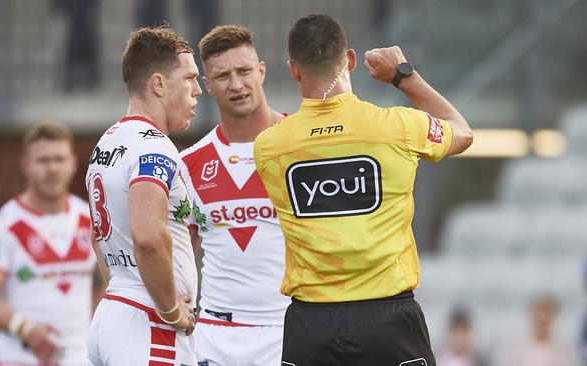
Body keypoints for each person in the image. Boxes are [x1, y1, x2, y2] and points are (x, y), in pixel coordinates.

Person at [253, 14, 474, 365]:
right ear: (351, 60)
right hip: (388, 319)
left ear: (294, 70)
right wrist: (403, 75)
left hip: (311, 325)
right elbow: (461, 130)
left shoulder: (268, 147)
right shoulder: (398, 127)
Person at [85, 26, 202, 366]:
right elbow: (149, 238)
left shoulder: (107, 142)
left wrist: (126, 289)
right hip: (149, 323)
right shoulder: (153, 147)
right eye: (190, 78)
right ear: (159, 84)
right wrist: (170, 311)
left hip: (115, 311)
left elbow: (97, 236)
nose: (197, 90)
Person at [179, 25, 289, 366]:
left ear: (262, 71)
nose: (237, 84)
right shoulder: (187, 164)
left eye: (244, 71)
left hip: (291, 328)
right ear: (207, 86)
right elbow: (180, 250)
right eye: (223, 76)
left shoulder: (303, 147)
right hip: (214, 336)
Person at [0, 123, 97, 365]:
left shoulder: (90, 219)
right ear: (26, 165)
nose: (52, 169)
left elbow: (110, 280)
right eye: (43, 160)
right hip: (20, 359)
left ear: (74, 163)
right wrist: (27, 330)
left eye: (59, 159)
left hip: (80, 359)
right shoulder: (1, 227)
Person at [492, 295, 578, 366]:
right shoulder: (510, 351)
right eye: (538, 318)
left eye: (547, 319)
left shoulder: (566, 353)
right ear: (531, 316)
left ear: (554, 318)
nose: (542, 323)